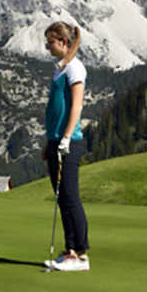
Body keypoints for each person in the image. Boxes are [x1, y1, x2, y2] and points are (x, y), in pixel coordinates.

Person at [42, 21, 89, 271]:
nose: (47, 46)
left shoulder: (75, 68)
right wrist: (49, 142)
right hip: (55, 141)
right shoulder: (60, 69)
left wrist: (66, 138)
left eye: (50, 42)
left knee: (70, 198)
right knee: (62, 199)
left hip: (68, 143)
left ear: (63, 42)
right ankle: (69, 250)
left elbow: (76, 107)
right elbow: (54, 109)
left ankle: (80, 255)